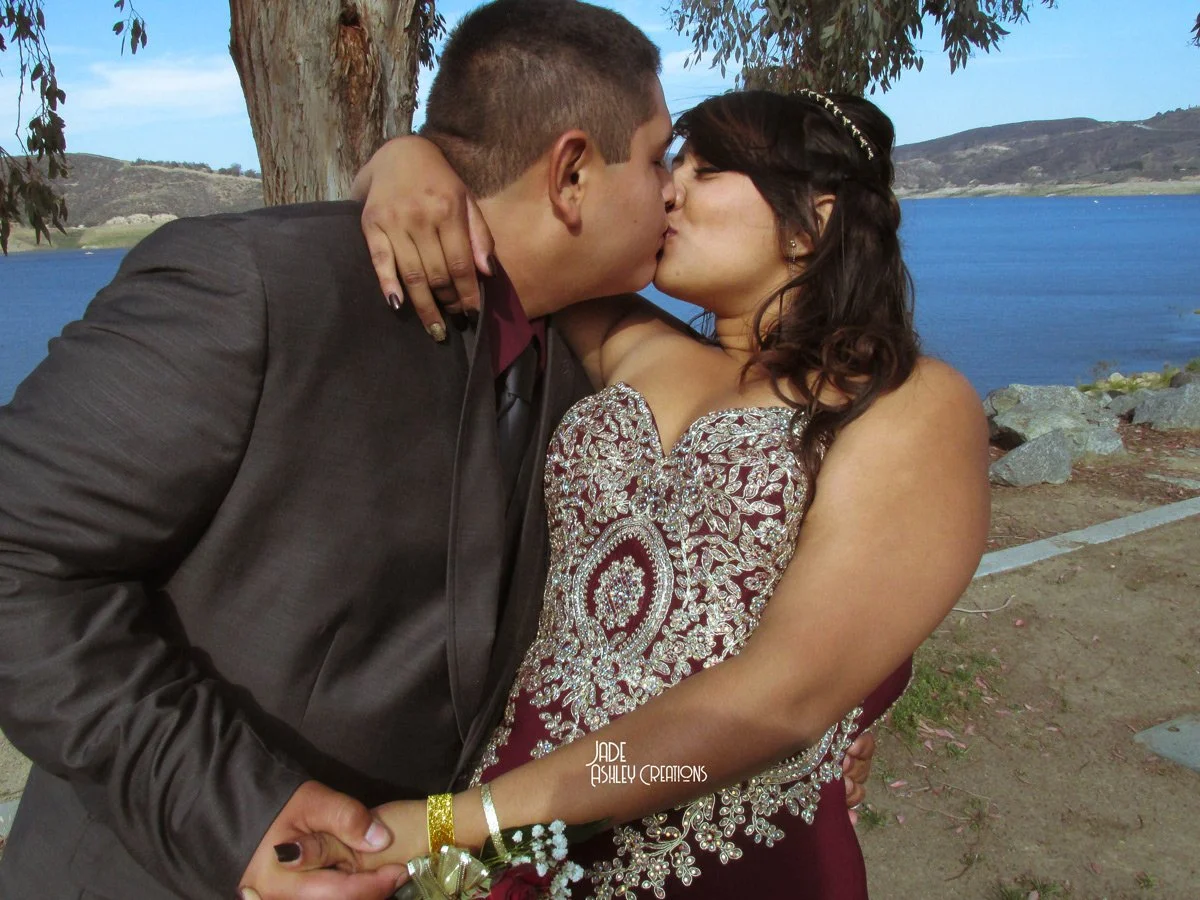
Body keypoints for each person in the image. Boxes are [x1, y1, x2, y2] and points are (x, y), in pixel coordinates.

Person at [0, 3, 873, 898]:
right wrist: (237, 814)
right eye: (657, 160)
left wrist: (821, 727)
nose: (670, 193)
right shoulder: (260, 292)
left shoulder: (604, 377)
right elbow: (16, 557)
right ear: (571, 172)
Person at [290, 81, 989, 899]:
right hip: (499, 840)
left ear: (814, 224)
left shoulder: (909, 404)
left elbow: (785, 695)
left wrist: (456, 820)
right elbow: (492, 219)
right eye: (671, 164)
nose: (668, 190)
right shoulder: (628, 340)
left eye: (707, 171)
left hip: (710, 863)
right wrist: (403, 159)